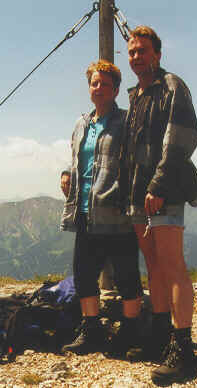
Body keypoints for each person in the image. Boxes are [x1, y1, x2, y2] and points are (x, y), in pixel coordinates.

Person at [124, 26, 197, 385]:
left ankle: (183, 351)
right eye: (132, 52)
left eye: (142, 51)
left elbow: (182, 135)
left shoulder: (171, 86)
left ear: (157, 54)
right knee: (153, 263)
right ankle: (159, 337)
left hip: (164, 189)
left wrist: (158, 183)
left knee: (172, 265)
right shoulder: (136, 95)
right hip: (139, 193)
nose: (136, 57)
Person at [60, 59, 143, 356]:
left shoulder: (126, 122)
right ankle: (92, 330)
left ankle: (131, 331)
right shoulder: (82, 123)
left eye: (105, 84)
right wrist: (66, 174)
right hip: (84, 211)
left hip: (117, 212)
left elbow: (136, 161)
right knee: (84, 274)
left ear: (116, 89)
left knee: (126, 275)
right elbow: (78, 159)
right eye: (94, 83)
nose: (98, 88)